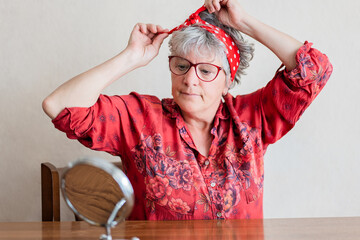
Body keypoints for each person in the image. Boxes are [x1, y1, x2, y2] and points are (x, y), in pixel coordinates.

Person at [42, 0, 333, 220]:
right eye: (181, 66)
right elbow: (58, 106)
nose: (190, 79)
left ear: (227, 81)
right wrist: (131, 57)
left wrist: (243, 22)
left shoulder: (250, 119)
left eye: (206, 71)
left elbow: (315, 69)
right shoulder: (141, 117)